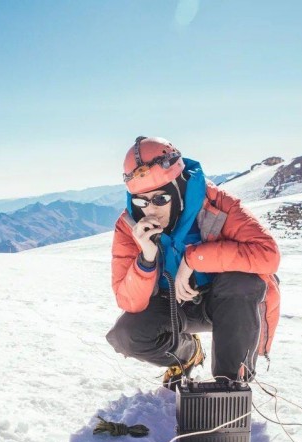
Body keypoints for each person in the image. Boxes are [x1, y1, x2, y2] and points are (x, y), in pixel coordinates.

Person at [106, 136, 280, 388]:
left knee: (242, 281)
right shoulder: (128, 226)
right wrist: (146, 258)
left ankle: (230, 383)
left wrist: (194, 258)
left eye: (160, 199)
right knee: (126, 336)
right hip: (172, 306)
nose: (150, 210)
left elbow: (268, 255)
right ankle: (188, 354)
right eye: (141, 201)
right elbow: (127, 300)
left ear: (179, 188)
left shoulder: (218, 204)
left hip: (224, 303)